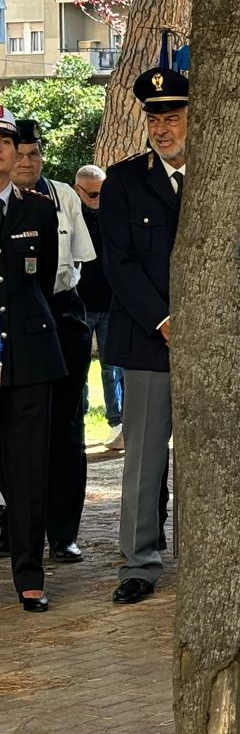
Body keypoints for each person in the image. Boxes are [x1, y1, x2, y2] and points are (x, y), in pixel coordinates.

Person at [102, 67, 189, 606]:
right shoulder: (125, 181)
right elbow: (119, 264)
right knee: (144, 460)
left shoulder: (217, 175)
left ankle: (202, 551)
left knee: (208, 453)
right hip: (147, 339)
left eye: (173, 117)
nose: (162, 128)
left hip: (211, 342)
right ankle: (139, 562)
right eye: (155, 118)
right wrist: (164, 320)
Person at [14, 120, 97, 564]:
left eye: (34, 154)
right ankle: (15, 524)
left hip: (62, 312)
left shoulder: (64, 195)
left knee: (67, 425)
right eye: (19, 153)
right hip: (16, 317)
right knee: (17, 425)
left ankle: (63, 531)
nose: (27, 162)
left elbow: (81, 259)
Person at [0, 107, 64, 610]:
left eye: (5, 142)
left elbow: (40, 283)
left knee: (27, 471)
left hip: (28, 354)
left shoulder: (40, 207)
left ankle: (29, 573)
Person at [72, 165, 120, 451]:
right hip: (80, 304)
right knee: (78, 368)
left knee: (112, 367)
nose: (97, 197)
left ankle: (119, 424)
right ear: (78, 190)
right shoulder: (68, 215)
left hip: (111, 303)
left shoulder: (113, 216)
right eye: (91, 193)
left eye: (102, 192)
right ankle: (79, 421)